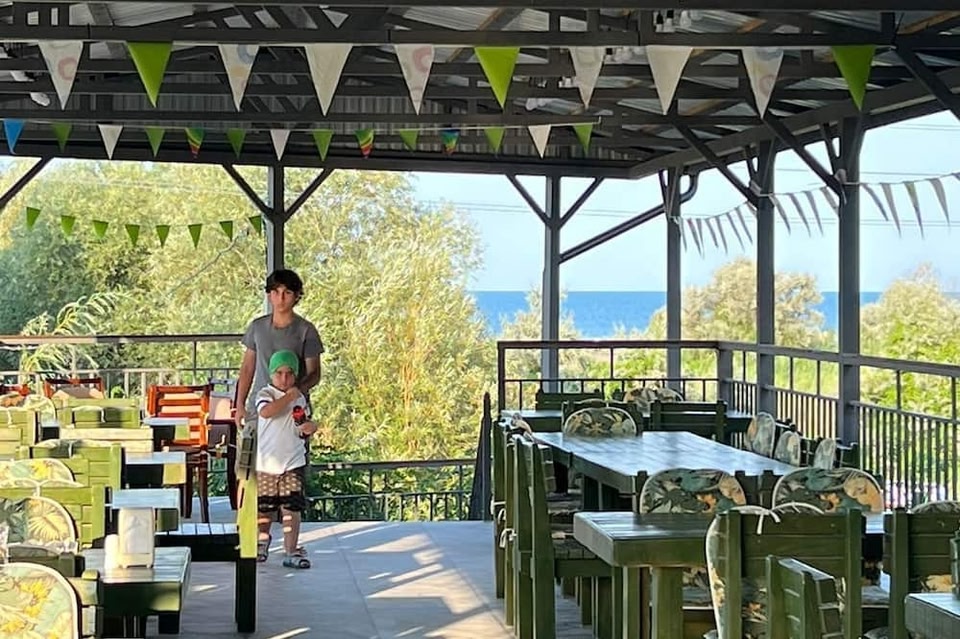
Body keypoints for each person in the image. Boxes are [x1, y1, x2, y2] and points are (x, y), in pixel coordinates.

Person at [235, 268, 324, 429]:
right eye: (276, 292)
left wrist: (296, 390)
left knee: (293, 444)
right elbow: (247, 368)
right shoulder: (257, 327)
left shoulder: (306, 330)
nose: (281, 298)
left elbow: (314, 373)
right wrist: (239, 403)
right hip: (260, 405)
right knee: (254, 444)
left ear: (296, 296)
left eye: (287, 293)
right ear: (269, 295)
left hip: (293, 408)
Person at [254, 349, 317, 568]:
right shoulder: (265, 394)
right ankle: (262, 541)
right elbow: (266, 412)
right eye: (279, 373)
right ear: (271, 374)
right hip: (267, 464)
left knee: (292, 508)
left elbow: (300, 424)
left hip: (293, 461)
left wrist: (308, 427)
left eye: (289, 373)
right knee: (265, 507)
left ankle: (291, 550)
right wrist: (288, 397)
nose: (284, 378)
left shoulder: (299, 398)